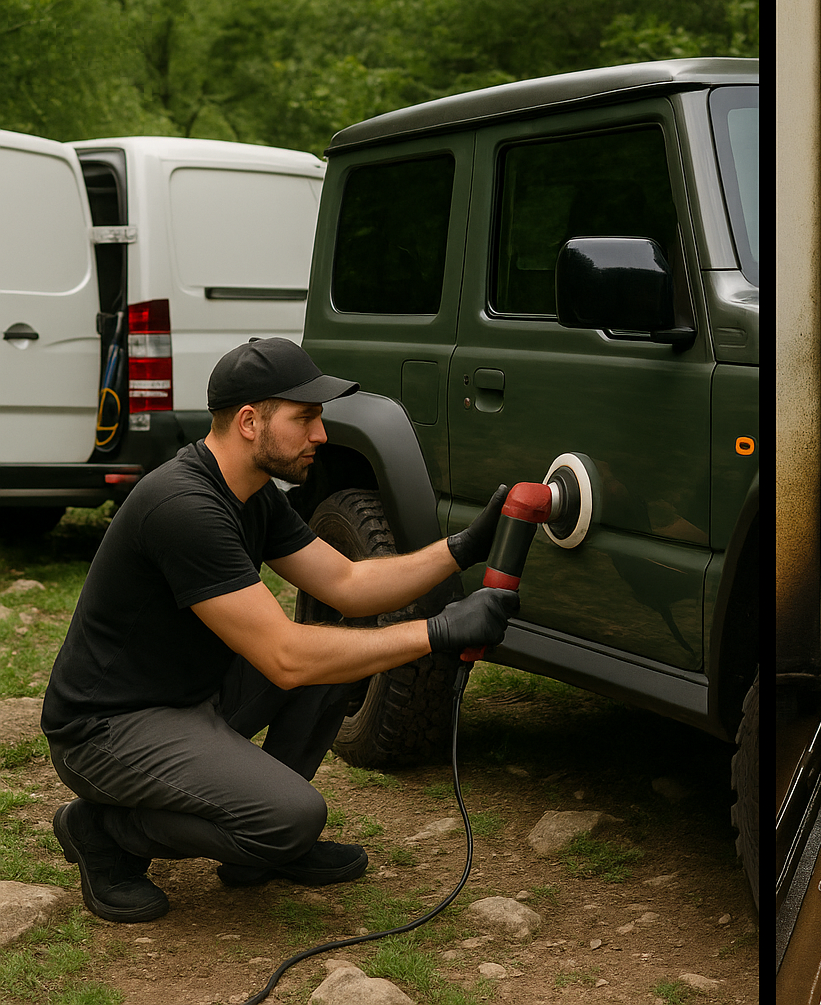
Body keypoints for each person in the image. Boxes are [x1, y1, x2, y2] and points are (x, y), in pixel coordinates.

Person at [41, 337, 520, 923]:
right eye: (306, 418)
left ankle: (260, 851)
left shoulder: (252, 493)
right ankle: (104, 830)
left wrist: (459, 550)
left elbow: (345, 583)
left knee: (337, 663)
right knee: (296, 810)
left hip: (192, 697)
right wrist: (436, 631)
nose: (320, 435)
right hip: (107, 730)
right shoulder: (185, 507)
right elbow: (286, 657)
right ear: (249, 422)